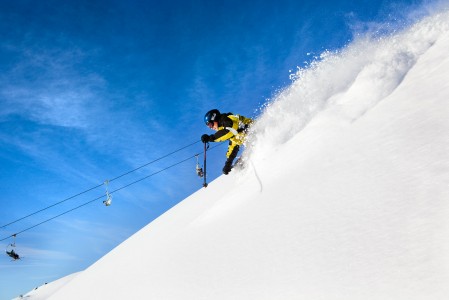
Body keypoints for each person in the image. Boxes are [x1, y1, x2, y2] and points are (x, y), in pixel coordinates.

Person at [201, 109, 253, 175]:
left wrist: (211, 138)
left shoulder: (229, 119)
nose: (211, 128)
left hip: (256, 131)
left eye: (210, 125)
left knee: (246, 158)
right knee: (240, 164)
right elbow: (233, 145)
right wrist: (228, 164)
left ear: (214, 118)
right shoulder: (230, 132)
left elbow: (229, 130)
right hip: (252, 140)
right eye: (209, 127)